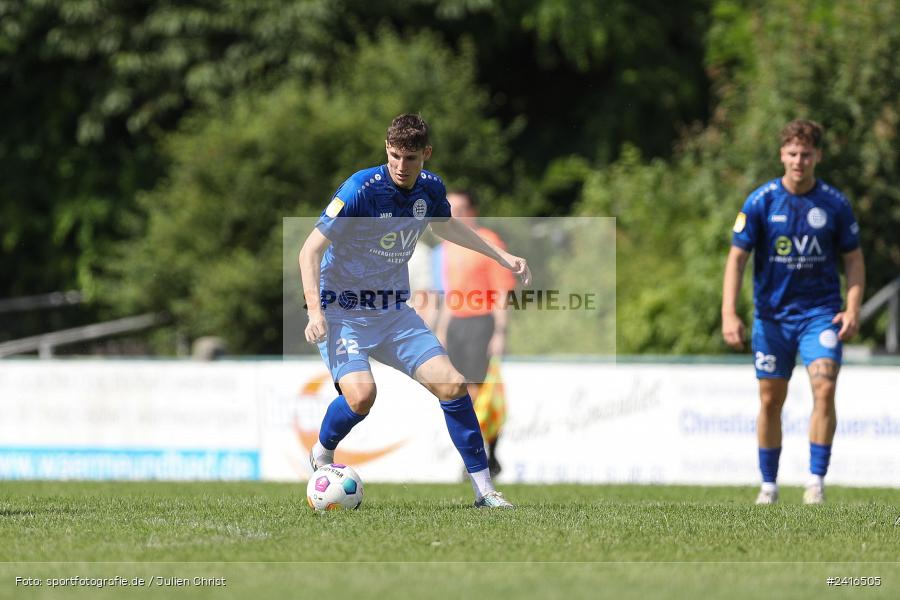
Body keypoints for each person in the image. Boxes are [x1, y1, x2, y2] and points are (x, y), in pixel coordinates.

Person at [298, 114, 531, 508]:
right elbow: (310, 250)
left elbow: (447, 227)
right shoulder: (360, 189)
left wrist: (502, 256)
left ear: (426, 154)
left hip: (393, 314)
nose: (401, 167)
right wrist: (315, 313)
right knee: (361, 397)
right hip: (343, 311)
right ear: (386, 149)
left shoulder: (431, 188)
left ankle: (485, 492)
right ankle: (322, 453)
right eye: (393, 156)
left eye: (409, 158)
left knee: (454, 384)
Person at [721, 119, 865, 505]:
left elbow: (853, 259)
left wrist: (852, 307)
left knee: (825, 385)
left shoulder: (834, 204)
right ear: (782, 156)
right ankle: (768, 484)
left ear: (817, 156)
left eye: (806, 154)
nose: (798, 160)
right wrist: (729, 314)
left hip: (820, 314)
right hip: (772, 317)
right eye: (792, 153)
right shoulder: (760, 202)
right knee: (771, 399)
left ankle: (815, 481)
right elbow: (737, 259)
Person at [435, 190, 515, 477]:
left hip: (482, 323)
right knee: (460, 390)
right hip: (457, 323)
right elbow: (449, 293)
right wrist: (442, 331)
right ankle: (478, 458)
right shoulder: (447, 247)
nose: (452, 214)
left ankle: (486, 457)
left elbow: (502, 291)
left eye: (458, 209)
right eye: (449, 208)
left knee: (481, 391)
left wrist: (500, 332)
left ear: (472, 211)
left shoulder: (489, 242)